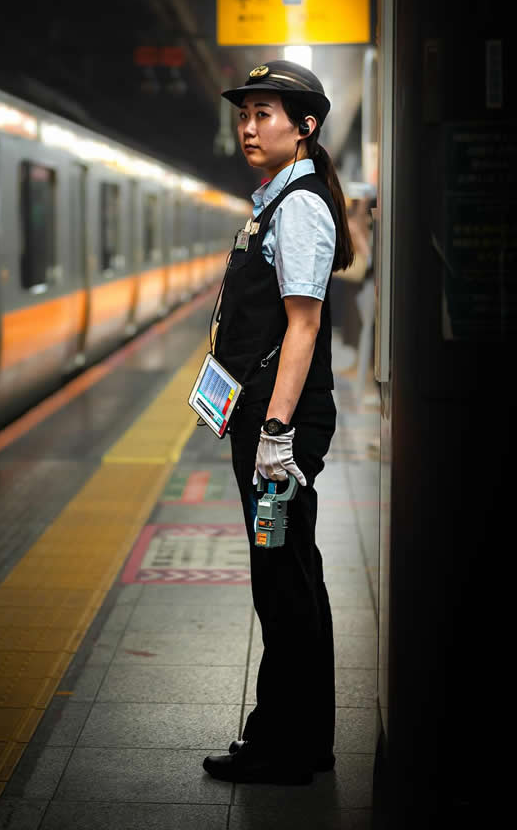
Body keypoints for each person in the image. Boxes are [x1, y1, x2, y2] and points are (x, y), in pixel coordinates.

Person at [202, 60, 355, 786]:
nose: (249, 126)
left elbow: (303, 324)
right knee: (282, 572)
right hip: (267, 417)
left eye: (265, 113)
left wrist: (276, 435)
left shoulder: (298, 206)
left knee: (284, 575)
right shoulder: (277, 199)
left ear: (306, 126)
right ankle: (284, 733)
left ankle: (291, 748)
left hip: (277, 427)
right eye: (244, 114)